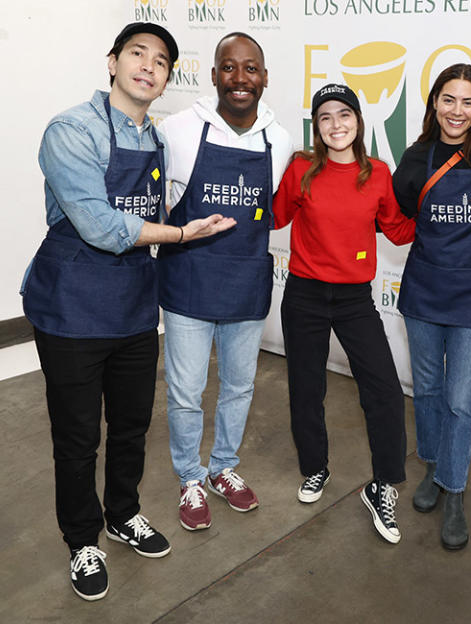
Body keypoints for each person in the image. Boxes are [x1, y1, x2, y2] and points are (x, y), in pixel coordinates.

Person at [21, 23, 235, 601]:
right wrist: (183, 233)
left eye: (161, 60)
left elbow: (148, 210)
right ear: (112, 62)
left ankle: (123, 513)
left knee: (133, 425)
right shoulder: (71, 129)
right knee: (77, 435)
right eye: (137, 54)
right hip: (71, 305)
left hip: (136, 307)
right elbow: (99, 225)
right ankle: (82, 539)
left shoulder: (157, 140)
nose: (148, 66)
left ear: (168, 78)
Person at [157, 32, 293, 532]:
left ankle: (223, 469)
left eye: (251, 68)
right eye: (229, 68)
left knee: (238, 387)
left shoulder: (279, 141)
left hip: (245, 282)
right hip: (188, 281)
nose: (241, 78)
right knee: (186, 391)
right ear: (213, 75)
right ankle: (190, 477)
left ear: (263, 78)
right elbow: (156, 203)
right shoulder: (176, 130)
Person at [273, 84, 415, 544]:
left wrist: (447, 212)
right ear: (317, 127)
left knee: (386, 393)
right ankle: (315, 469)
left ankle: (383, 485)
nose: (336, 125)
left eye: (344, 115)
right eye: (326, 118)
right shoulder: (300, 170)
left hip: (355, 299)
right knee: (306, 389)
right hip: (305, 296)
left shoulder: (377, 172)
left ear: (359, 120)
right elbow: (273, 217)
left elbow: (396, 229)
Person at [391, 64, 471, 550]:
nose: (457, 111)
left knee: (460, 400)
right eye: (448, 99)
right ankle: (434, 467)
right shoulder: (418, 155)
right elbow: (398, 207)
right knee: (426, 389)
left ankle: (456, 491)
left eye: (467, 101)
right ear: (434, 103)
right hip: (423, 292)